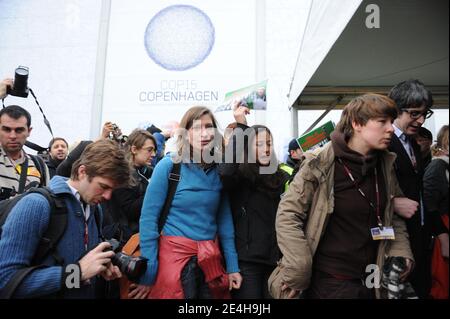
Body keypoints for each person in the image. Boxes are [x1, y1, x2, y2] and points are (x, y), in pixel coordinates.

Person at [268, 94, 416, 299]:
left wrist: (401, 252)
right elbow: (287, 215)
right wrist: (298, 267)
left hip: (372, 281)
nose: (391, 128)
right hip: (330, 283)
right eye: (382, 122)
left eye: (391, 121)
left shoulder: (385, 164)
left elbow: (392, 215)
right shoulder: (319, 163)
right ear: (357, 124)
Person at [0, 139, 131, 298]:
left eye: (112, 189)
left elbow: (82, 267)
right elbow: (6, 281)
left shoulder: (94, 210)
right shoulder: (36, 205)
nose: (108, 196)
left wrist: (99, 268)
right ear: (82, 172)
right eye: (103, 186)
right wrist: (77, 273)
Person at [135, 106, 242, 299]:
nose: (204, 133)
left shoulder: (219, 170)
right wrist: (149, 269)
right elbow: (148, 219)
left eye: (209, 127)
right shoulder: (168, 166)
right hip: (173, 264)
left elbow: (225, 223)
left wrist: (233, 266)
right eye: (197, 128)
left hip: (210, 263)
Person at [219, 103, 290, 299]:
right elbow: (224, 172)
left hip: (276, 262)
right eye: (258, 144)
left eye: (268, 143)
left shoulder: (282, 176)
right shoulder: (240, 175)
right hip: (246, 263)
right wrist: (241, 126)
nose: (266, 148)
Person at [388, 79, 436, 298]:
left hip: (419, 236)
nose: (421, 120)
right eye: (415, 113)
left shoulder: (413, 144)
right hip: (395, 240)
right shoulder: (385, 142)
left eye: (426, 113)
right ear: (397, 109)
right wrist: (392, 202)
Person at [103, 129, 157, 244]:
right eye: (149, 150)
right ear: (134, 149)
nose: (153, 154)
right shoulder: (123, 174)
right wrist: (155, 191)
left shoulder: (139, 172)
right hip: (125, 239)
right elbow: (129, 210)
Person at [0, 105, 49, 200]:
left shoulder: (39, 164)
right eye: (7, 129)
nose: (12, 136)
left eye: (19, 130)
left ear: (29, 131)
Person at [423, 125, 449, 299]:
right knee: (443, 284)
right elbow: (429, 204)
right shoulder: (438, 166)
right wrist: (444, 238)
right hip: (444, 229)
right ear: (445, 144)